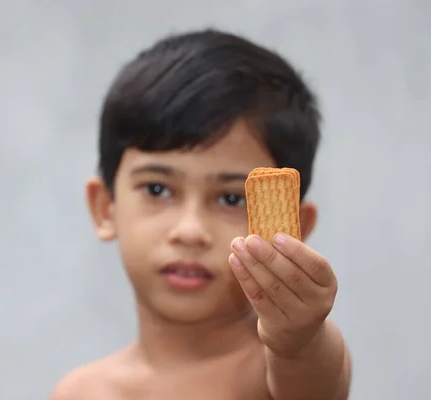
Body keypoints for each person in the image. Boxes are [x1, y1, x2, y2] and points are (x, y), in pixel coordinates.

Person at [50, 28, 352, 399]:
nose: (190, 231)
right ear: (104, 207)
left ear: (295, 227)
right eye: (157, 189)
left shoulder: (280, 367)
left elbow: (314, 376)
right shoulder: (82, 391)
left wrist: (299, 337)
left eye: (230, 199)